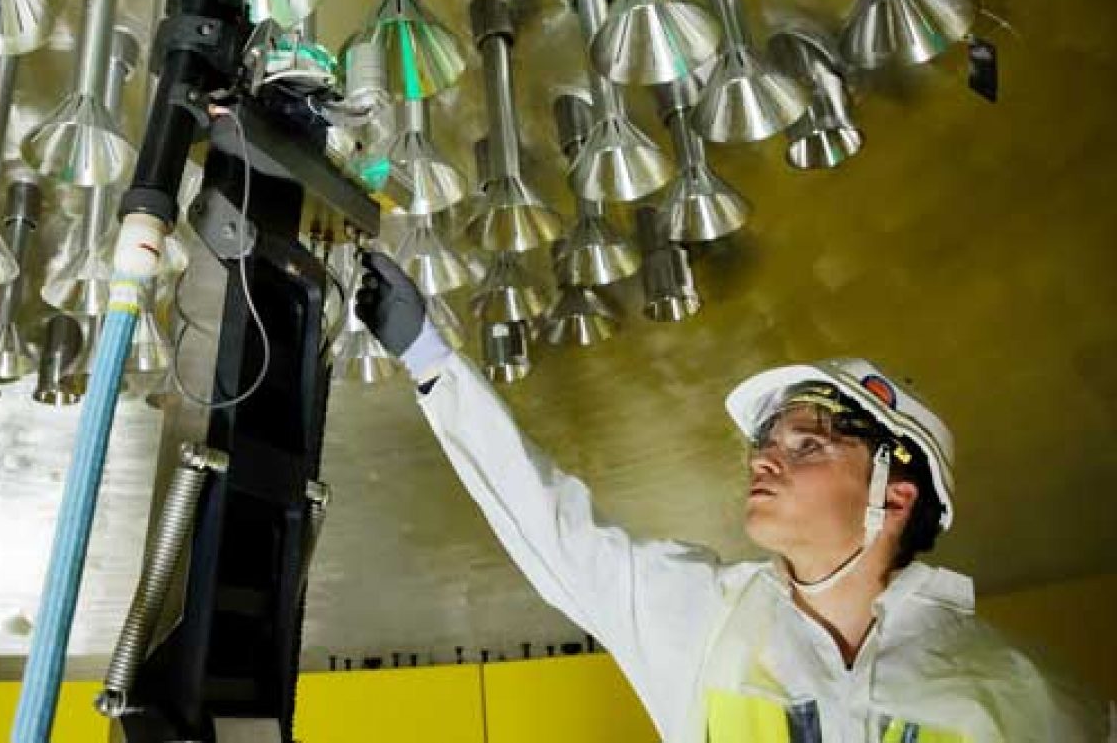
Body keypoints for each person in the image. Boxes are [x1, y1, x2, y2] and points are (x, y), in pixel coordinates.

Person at [354, 251, 1115, 743]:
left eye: (807, 444)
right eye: (766, 441)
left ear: (896, 494)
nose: (765, 459)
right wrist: (429, 357)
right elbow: (555, 527)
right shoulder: (703, 621)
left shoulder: (1021, 696)